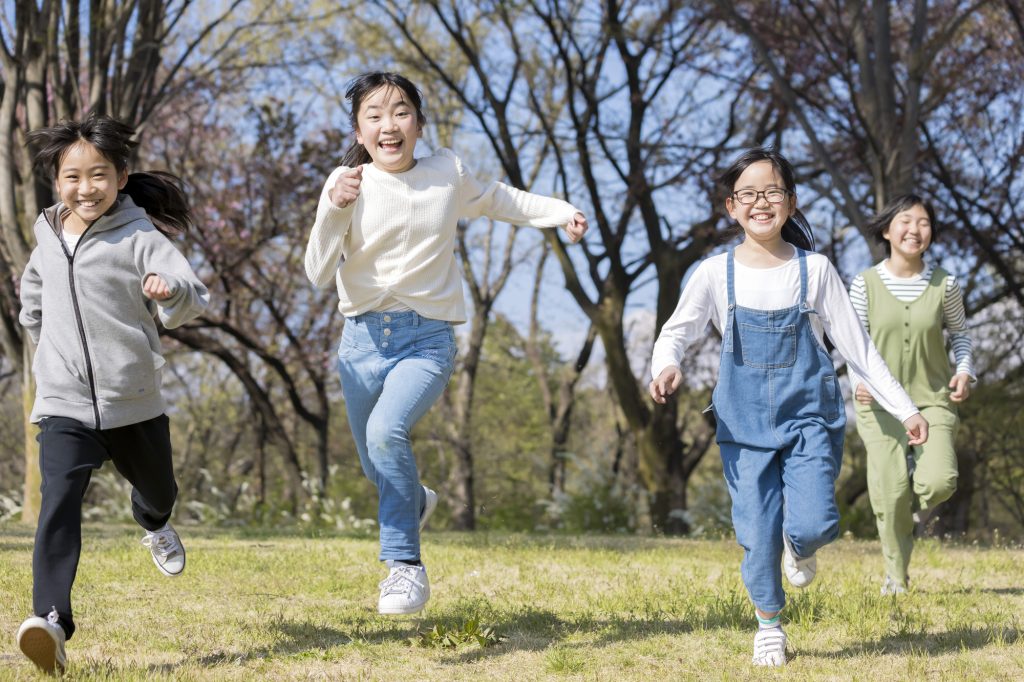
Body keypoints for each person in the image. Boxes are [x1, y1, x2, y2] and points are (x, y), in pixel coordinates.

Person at [304, 72, 587, 616]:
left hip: (426, 339)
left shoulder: (445, 172)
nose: (390, 125)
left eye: (402, 111)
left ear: (420, 123)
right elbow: (317, 272)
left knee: (389, 433)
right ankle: (418, 502)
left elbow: (498, 199)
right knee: (376, 463)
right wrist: (335, 207)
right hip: (361, 343)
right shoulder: (347, 182)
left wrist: (560, 212)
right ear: (360, 131)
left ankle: (404, 567)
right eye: (375, 115)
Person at [649, 147, 928, 666]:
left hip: (809, 421)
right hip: (743, 424)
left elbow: (858, 350)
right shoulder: (714, 273)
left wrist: (906, 408)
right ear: (732, 207)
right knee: (756, 535)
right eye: (748, 194)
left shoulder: (815, 270)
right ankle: (769, 625)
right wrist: (665, 365)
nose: (761, 202)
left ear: (791, 202)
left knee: (816, 523)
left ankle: (798, 547)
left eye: (773, 191)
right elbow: (677, 331)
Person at [16, 113, 210, 674]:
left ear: (121, 176)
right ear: (57, 180)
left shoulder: (138, 235)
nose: (85, 188)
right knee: (58, 506)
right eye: (73, 176)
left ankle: (153, 525)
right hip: (63, 402)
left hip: (132, 400)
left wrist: (168, 291)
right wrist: (43, 349)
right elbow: (34, 294)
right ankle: (50, 622)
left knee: (158, 491)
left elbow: (191, 293)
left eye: (98, 175)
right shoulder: (47, 232)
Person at [849, 194, 973, 596]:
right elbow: (852, 344)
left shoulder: (945, 285)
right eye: (905, 221)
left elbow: (961, 336)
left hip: (933, 399)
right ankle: (896, 577)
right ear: (887, 231)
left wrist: (965, 370)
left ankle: (908, 514)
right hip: (879, 405)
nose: (914, 230)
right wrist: (857, 383)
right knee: (890, 488)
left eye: (923, 223)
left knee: (939, 481)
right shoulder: (864, 284)